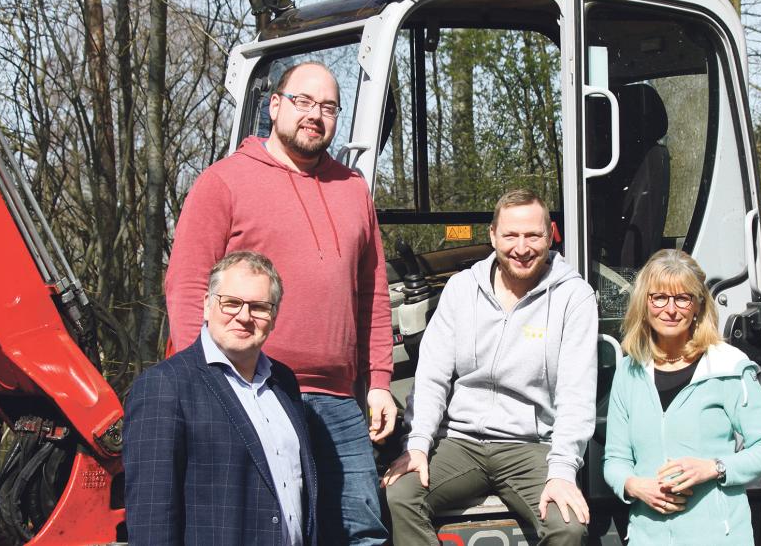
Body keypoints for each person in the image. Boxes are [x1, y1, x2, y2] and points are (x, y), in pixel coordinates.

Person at [164, 62, 393, 544]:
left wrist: (378, 383)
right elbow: (187, 287)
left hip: (336, 399)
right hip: (251, 391)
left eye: (328, 107)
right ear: (274, 106)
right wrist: (205, 385)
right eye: (303, 102)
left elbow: (371, 293)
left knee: (361, 532)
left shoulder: (353, 191)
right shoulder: (223, 182)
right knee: (262, 531)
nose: (315, 116)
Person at [382, 189, 596, 545]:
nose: (522, 247)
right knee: (399, 494)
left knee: (568, 525)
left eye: (533, 235)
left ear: (551, 234)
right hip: (459, 442)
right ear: (493, 235)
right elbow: (433, 376)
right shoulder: (462, 289)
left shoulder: (574, 297)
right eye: (511, 235)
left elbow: (577, 395)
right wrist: (417, 444)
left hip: (531, 446)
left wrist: (562, 470)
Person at [124, 251, 317, 545]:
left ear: (274, 316)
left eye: (259, 307)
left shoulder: (285, 383)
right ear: (206, 305)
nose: (244, 316)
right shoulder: (165, 386)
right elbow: (152, 516)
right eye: (231, 303)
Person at [603, 249, 761, 545]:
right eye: (659, 297)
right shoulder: (629, 371)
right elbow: (615, 459)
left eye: (682, 298)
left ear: (698, 305)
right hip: (648, 537)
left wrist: (713, 468)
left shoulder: (727, 366)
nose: (670, 309)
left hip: (718, 536)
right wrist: (635, 486)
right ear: (644, 304)